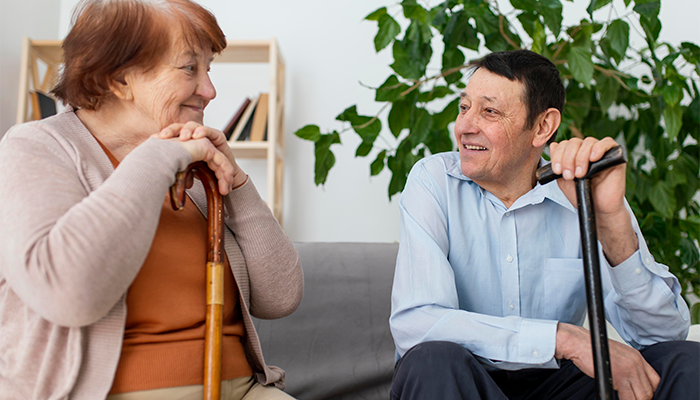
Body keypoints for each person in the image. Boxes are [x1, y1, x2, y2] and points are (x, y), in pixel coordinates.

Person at [0, 0, 303, 399]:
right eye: (189, 67)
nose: (210, 91)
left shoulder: (194, 164)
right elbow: (66, 292)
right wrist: (158, 157)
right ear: (120, 78)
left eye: (209, 69)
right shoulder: (37, 147)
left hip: (244, 389)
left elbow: (281, 298)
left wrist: (238, 184)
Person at [389, 49, 700, 400]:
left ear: (542, 127)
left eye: (489, 111)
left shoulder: (582, 188)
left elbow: (660, 335)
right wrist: (563, 338)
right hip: (463, 378)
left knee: (685, 362)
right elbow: (417, 324)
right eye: (464, 107)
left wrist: (610, 219)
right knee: (431, 360)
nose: (464, 126)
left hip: (555, 383)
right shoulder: (433, 180)